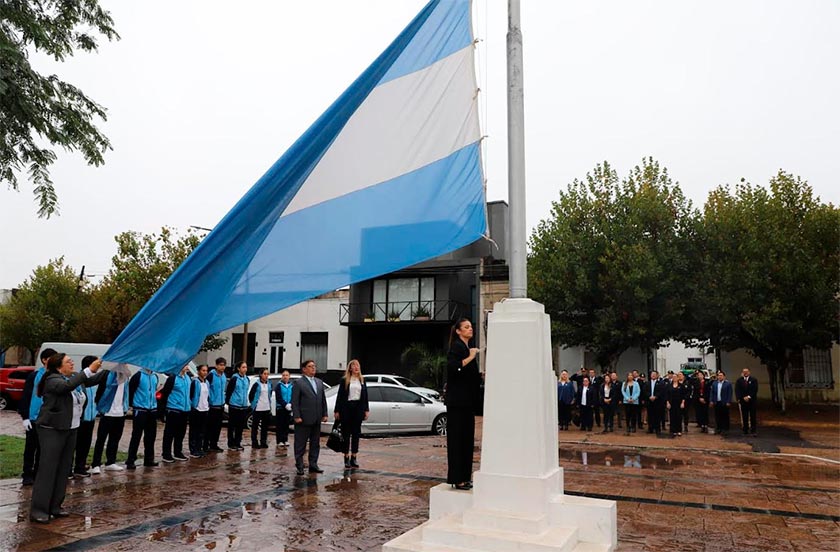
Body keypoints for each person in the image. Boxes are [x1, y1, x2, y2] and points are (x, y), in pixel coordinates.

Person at [30, 354, 107, 523]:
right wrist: (88, 370)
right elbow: (65, 387)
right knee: (48, 470)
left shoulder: (72, 378)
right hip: (52, 429)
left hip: (70, 429)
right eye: (68, 361)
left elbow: (92, 380)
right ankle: (39, 510)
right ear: (58, 366)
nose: (72, 363)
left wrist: (113, 368)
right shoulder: (53, 379)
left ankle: (55, 506)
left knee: (63, 469)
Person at [445, 319, 480, 490]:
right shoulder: (457, 347)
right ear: (458, 331)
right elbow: (453, 368)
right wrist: (471, 357)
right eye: (466, 327)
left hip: (467, 402)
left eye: (471, 327)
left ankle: (465, 477)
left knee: (467, 440)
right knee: (457, 440)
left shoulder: (466, 348)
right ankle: (457, 478)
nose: (470, 329)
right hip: (457, 403)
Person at [18, 348, 57, 486]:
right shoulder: (34, 376)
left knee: (44, 448)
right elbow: (26, 396)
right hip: (34, 418)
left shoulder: (56, 376)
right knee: (30, 448)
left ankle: (38, 473)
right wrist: (25, 417)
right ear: (44, 360)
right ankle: (27, 474)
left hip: (49, 419)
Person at [291, 359, 328, 475]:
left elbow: (323, 400)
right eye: (310, 366)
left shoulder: (319, 382)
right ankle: (300, 465)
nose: (313, 368)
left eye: (314, 366)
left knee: (315, 443)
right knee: (300, 444)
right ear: (304, 369)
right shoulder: (299, 383)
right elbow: (295, 401)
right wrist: (296, 416)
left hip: (316, 419)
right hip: (303, 419)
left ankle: (313, 464)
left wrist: (324, 414)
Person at [90, 368, 130, 473]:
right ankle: (96, 464)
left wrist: (125, 407)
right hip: (107, 412)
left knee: (115, 438)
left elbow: (126, 393)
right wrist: (100, 406)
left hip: (120, 412)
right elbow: (101, 390)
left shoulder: (126, 376)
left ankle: (111, 461)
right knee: (101, 439)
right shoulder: (107, 374)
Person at [334, 359, 370, 469]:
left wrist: (366, 409)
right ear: (350, 368)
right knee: (346, 434)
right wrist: (337, 410)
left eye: (358, 365)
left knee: (356, 434)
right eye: (354, 366)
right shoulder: (345, 380)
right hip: (347, 409)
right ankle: (346, 457)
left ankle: (354, 456)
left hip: (358, 409)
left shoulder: (362, 380)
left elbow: (365, 396)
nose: (356, 367)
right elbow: (340, 396)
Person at [71, 355, 100, 478]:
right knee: (74, 445)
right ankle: (68, 469)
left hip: (91, 417)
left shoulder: (94, 380)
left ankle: (80, 467)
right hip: (80, 418)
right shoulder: (79, 379)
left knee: (85, 444)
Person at [125, 367, 161, 469]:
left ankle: (149, 459)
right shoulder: (138, 376)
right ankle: (131, 459)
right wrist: (132, 405)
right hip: (140, 409)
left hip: (152, 409)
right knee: (136, 435)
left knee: (151, 436)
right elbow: (131, 391)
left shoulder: (155, 376)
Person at [161, 365, 192, 463]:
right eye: (185, 364)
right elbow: (165, 393)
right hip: (174, 409)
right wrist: (162, 411)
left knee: (181, 433)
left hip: (185, 409)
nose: (187, 367)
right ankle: (166, 454)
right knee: (169, 433)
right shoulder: (173, 377)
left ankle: (178, 452)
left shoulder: (188, 378)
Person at [225, 361, 250, 451]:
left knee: (240, 426)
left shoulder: (247, 379)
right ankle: (231, 443)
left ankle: (238, 442)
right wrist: (228, 402)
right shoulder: (235, 378)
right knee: (232, 425)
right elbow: (229, 391)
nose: (245, 369)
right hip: (234, 405)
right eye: (243, 367)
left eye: (246, 367)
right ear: (238, 368)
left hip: (243, 406)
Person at [248, 368, 275, 449]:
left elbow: (269, 394)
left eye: (267, 374)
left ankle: (263, 441)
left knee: (264, 427)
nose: (266, 376)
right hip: (258, 408)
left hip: (266, 408)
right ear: (261, 375)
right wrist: (254, 405)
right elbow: (251, 395)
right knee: (255, 426)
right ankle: (254, 442)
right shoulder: (256, 384)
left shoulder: (269, 384)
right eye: (264, 374)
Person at [205, 357, 228, 452]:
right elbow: (207, 389)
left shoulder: (224, 376)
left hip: (221, 405)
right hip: (212, 405)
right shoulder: (211, 376)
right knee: (209, 427)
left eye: (224, 365)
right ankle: (206, 445)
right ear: (216, 365)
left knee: (217, 427)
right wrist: (210, 400)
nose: (222, 367)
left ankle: (214, 444)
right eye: (221, 365)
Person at [189, 364, 210, 458]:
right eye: (203, 370)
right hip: (196, 409)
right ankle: (193, 449)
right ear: (198, 371)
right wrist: (193, 405)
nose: (205, 372)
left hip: (205, 409)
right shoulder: (195, 382)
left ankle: (199, 448)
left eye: (206, 371)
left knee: (202, 431)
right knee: (194, 430)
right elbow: (191, 395)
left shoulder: (207, 382)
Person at [735, 368, 758, 436]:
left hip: (752, 401)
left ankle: (753, 430)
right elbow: (737, 390)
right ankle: (745, 430)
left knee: (752, 416)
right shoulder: (739, 381)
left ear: (749, 372)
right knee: (744, 416)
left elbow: (755, 390)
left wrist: (749, 396)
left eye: (746, 372)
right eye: (744, 372)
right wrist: (741, 397)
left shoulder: (753, 380)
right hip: (743, 401)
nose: (745, 373)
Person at [644, 371, 667, 436]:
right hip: (649, 401)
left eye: (654, 374)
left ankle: (658, 429)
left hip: (658, 402)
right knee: (650, 416)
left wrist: (655, 396)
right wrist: (649, 396)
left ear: (657, 375)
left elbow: (662, 391)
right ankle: (650, 428)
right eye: (652, 374)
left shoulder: (661, 383)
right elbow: (645, 391)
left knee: (658, 416)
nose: (653, 375)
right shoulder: (647, 383)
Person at [709, 371, 733, 435]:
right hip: (717, 402)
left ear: (724, 377)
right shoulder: (714, 383)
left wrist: (728, 401)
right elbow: (712, 392)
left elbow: (730, 393)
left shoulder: (728, 384)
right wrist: (711, 400)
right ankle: (718, 429)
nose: (720, 377)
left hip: (724, 402)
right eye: (719, 375)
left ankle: (725, 429)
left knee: (725, 416)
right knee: (717, 416)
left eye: (721, 375)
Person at [274, 370, 293, 447]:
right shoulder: (279, 385)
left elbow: (293, 395)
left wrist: (291, 403)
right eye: (284, 375)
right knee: (280, 425)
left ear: (289, 376)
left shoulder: (291, 385)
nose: (285, 377)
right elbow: (278, 397)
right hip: (281, 408)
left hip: (288, 408)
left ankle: (285, 439)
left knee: (286, 424)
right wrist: (285, 404)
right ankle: (279, 440)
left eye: (287, 375)